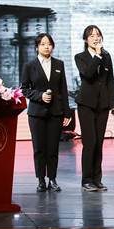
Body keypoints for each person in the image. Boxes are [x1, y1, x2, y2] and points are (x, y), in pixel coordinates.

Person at [20, 33, 72, 193]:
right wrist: (40, 96)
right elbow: (24, 89)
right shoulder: (29, 66)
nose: (46, 47)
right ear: (37, 47)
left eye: (49, 44)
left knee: (53, 148)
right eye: (42, 44)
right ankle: (41, 180)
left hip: (56, 112)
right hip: (36, 113)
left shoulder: (59, 64)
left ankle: (53, 179)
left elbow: (63, 89)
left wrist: (67, 112)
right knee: (39, 148)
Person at [75, 25, 114, 192]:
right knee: (90, 142)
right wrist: (98, 56)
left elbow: (110, 81)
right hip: (86, 104)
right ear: (85, 39)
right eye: (92, 35)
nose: (96, 38)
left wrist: (113, 104)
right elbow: (88, 74)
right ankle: (86, 180)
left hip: (103, 105)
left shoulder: (107, 56)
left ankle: (97, 179)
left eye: (98, 35)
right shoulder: (80, 57)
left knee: (99, 142)